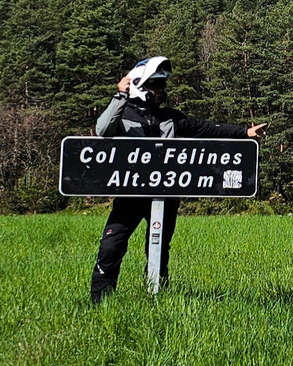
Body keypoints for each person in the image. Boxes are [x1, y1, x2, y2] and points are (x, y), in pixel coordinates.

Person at [89, 56, 267, 303]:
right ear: (140, 84)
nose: (161, 91)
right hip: (130, 195)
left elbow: (206, 128)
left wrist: (244, 133)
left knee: (159, 250)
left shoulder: (169, 117)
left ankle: (156, 298)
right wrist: (120, 96)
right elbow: (103, 130)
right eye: (156, 85)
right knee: (111, 247)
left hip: (165, 195)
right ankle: (100, 304)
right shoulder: (123, 113)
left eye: (162, 86)